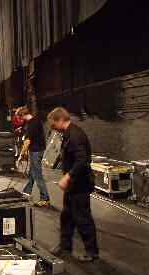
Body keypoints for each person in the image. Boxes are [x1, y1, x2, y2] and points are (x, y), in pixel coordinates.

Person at [48, 107, 99, 262]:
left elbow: (82, 160)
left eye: (53, 125)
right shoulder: (68, 134)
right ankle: (65, 246)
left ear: (61, 120)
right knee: (67, 216)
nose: (52, 128)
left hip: (80, 184)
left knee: (82, 218)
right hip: (73, 186)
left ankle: (92, 252)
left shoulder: (76, 135)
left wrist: (68, 176)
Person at [17, 106, 51, 207]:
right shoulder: (35, 121)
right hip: (39, 149)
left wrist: (21, 155)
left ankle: (45, 198)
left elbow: (27, 141)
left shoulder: (31, 124)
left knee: (37, 175)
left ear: (23, 115)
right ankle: (26, 193)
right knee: (32, 173)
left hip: (36, 151)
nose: (20, 119)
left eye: (20, 117)